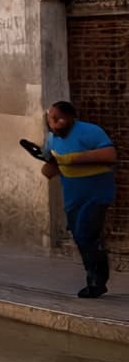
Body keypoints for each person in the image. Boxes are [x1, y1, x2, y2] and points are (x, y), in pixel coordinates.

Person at [39, 100, 117, 298]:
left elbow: (110, 154)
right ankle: (93, 275)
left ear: (71, 117)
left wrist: (73, 159)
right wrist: (48, 163)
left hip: (96, 193)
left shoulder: (91, 131)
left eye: (58, 119)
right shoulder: (51, 139)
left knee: (85, 233)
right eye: (50, 119)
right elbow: (50, 171)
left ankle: (96, 281)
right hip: (73, 196)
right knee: (80, 236)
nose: (53, 123)